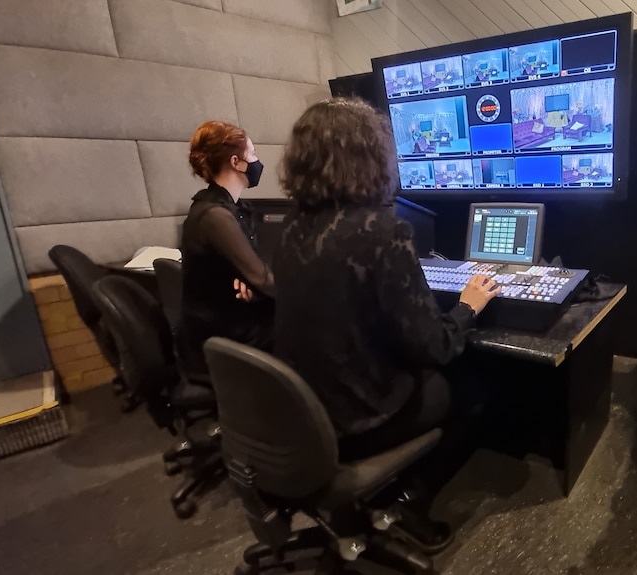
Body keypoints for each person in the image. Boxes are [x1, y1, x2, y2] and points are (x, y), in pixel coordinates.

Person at [263, 98, 499, 549]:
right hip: (357, 419)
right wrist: (468, 306)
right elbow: (435, 347)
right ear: (372, 156)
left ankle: (389, 487)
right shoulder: (385, 231)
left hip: (302, 410)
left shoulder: (292, 227)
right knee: (470, 387)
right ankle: (411, 500)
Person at [181, 120, 275, 356]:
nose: (256, 161)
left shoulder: (226, 207)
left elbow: (251, 272)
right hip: (220, 335)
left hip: (226, 319)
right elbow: (264, 280)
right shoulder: (215, 216)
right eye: (252, 154)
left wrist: (251, 281)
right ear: (236, 163)